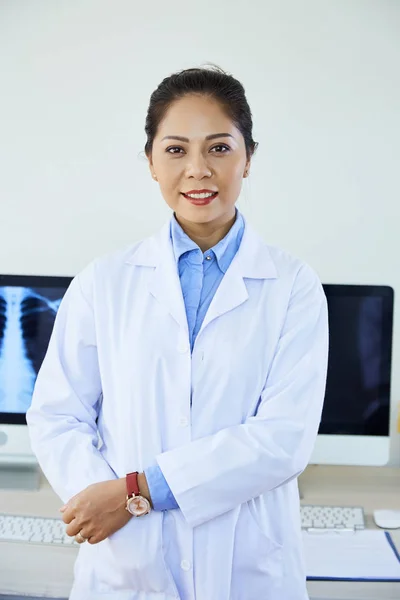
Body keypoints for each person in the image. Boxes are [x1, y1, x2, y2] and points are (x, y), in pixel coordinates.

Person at [26, 65, 329, 600]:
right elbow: (57, 413)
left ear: (248, 158)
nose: (197, 170)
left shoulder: (294, 287)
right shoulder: (105, 281)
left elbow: (283, 440)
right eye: (174, 150)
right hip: (126, 565)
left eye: (218, 148)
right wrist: (102, 500)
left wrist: (135, 491)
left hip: (247, 570)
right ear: (149, 161)